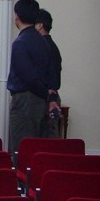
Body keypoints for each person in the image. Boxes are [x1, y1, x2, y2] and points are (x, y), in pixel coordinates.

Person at [7, 0, 52, 155]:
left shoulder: (20, 43)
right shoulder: (43, 41)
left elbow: (28, 77)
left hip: (24, 100)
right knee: (37, 148)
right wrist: (47, 94)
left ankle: (22, 173)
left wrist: (43, 93)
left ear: (17, 17)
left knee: (22, 149)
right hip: (40, 100)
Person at [36, 8, 63, 138]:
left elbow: (52, 76)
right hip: (50, 96)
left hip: (47, 98)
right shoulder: (51, 45)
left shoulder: (44, 46)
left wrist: (51, 98)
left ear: (40, 25)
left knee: (45, 138)